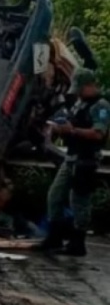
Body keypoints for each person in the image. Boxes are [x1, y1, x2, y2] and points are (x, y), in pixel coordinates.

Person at [36, 68, 110, 257]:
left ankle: (78, 242)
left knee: (79, 200)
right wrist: (59, 128)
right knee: (55, 195)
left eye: (80, 89)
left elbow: (98, 133)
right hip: (71, 156)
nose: (77, 93)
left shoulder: (100, 106)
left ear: (89, 86)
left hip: (86, 159)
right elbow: (70, 121)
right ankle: (55, 237)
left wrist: (73, 131)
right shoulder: (79, 103)